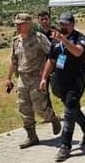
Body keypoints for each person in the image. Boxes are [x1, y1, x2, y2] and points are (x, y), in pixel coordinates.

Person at [41, 12, 85, 162]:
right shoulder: (55, 40)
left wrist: (63, 40)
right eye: (61, 24)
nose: (63, 26)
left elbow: (78, 52)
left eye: (66, 24)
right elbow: (51, 60)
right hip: (61, 81)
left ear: (73, 24)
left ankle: (65, 145)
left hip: (76, 80)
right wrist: (44, 78)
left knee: (69, 112)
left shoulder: (80, 37)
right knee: (72, 108)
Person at [6, 13, 61, 148]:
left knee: (39, 108)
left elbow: (51, 54)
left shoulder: (39, 38)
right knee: (24, 108)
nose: (17, 26)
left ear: (29, 24)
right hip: (22, 79)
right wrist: (8, 77)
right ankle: (32, 137)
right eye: (16, 23)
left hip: (37, 77)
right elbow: (14, 61)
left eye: (20, 23)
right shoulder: (16, 41)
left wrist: (47, 72)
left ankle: (53, 118)